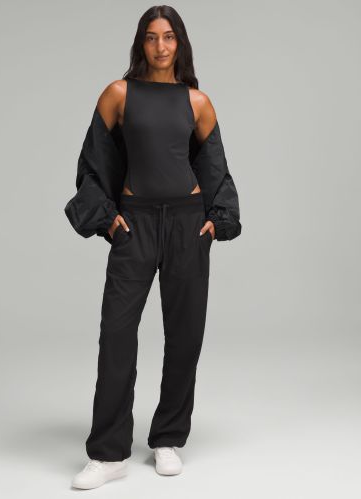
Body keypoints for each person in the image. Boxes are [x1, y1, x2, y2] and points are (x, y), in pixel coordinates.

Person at [68, 6, 242, 490]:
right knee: (117, 334)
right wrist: (107, 218)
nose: (160, 46)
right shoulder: (118, 94)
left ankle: (168, 438)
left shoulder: (197, 102)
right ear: (140, 44)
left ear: (179, 43)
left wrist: (217, 221)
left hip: (187, 225)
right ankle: (108, 454)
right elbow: (93, 163)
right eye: (151, 37)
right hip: (136, 224)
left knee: (184, 334)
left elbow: (215, 168)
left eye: (168, 37)